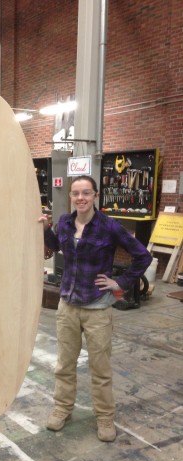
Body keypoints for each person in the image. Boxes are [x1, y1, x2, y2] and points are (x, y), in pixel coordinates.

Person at [40, 175, 152, 442]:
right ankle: (62, 409)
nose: (81, 198)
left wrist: (120, 281)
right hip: (67, 304)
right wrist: (46, 229)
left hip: (98, 307)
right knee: (64, 365)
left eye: (86, 193)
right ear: (70, 196)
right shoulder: (66, 222)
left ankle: (104, 418)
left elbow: (143, 256)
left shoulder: (109, 226)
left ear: (95, 195)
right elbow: (56, 246)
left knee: (100, 368)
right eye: (76, 193)